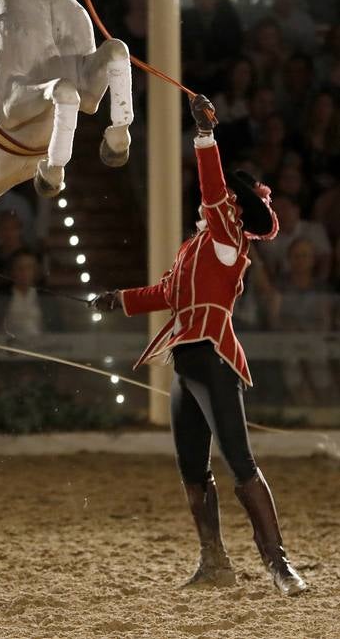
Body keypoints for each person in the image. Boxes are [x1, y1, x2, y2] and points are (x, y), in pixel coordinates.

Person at [91, 94, 307, 596]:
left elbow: (213, 193)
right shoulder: (194, 250)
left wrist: (205, 136)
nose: (213, 201)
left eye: (225, 199)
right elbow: (162, 294)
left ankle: (280, 565)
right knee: (193, 468)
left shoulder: (229, 238)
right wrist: (114, 300)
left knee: (239, 461)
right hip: (186, 364)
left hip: (212, 357)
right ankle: (215, 563)